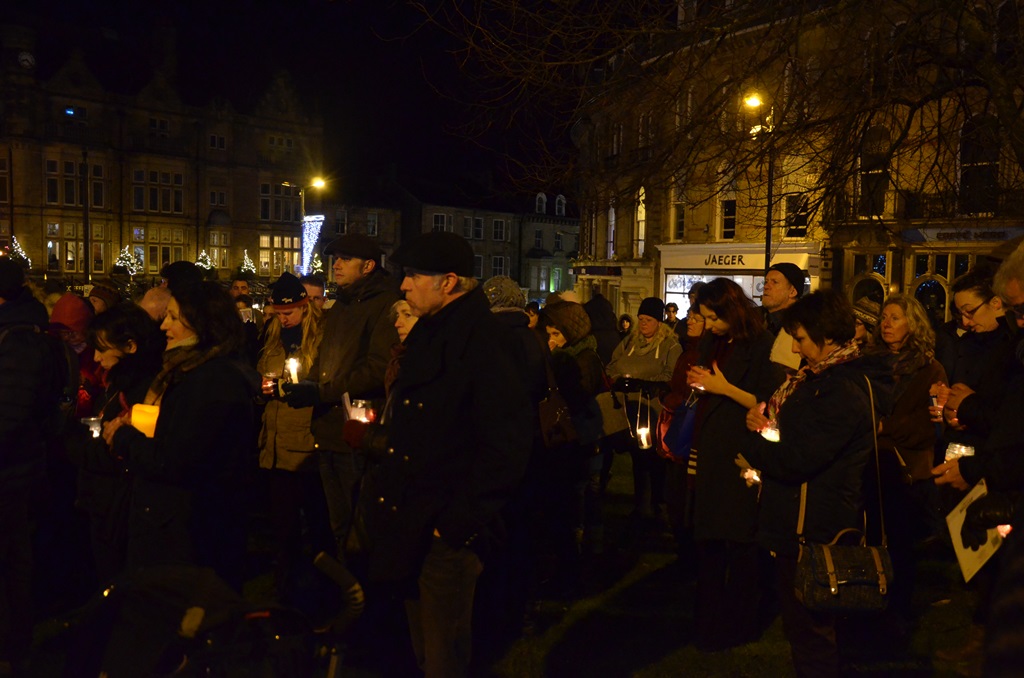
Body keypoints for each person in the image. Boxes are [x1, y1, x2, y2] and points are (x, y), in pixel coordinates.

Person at [356, 231, 531, 677]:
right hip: (411, 519)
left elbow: (505, 445)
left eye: (414, 275)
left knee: (444, 654)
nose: (404, 285)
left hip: (443, 530)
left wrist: (453, 526)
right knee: (419, 647)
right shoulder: (434, 332)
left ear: (449, 281)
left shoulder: (483, 343)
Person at [741, 289, 886, 677]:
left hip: (815, 529)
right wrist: (766, 424)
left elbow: (797, 458)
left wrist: (753, 447)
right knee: (803, 629)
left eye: (802, 338)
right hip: (798, 521)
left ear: (827, 334)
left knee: (813, 632)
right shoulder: (815, 379)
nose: (795, 347)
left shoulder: (840, 388)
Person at [104, 281, 259, 590]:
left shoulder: (210, 381)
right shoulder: (190, 372)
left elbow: (174, 460)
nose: (164, 326)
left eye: (174, 318)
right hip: (179, 524)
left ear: (202, 322)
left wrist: (123, 438)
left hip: (189, 534)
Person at [281, 233, 399, 562]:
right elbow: (325, 358)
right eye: (336, 258)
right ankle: (344, 589)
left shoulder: (384, 305)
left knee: (359, 526)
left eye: (346, 258)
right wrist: (306, 383)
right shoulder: (343, 303)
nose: (337, 264)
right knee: (338, 524)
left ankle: (365, 594)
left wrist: (320, 391)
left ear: (369, 265)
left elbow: (376, 369)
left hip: (357, 429)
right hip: (329, 429)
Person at [684, 278, 786, 651]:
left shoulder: (760, 346)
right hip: (711, 447)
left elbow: (768, 402)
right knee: (709, 540)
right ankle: (709, 619)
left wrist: (722, 388)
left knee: (740, 541)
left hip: (741, 450)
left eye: (714, 318)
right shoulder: (714, 341)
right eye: (705, 317)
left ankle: (742, 620)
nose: (709, 325)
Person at [65, 304, 164, 580]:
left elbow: (122, 451)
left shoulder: (143, 391)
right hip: (104, 501)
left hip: (118, 505)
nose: (95, 357)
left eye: (102, 348)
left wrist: (72, 445)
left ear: (130, 346)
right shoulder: (119, 382)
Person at [867, 293, 947, 638]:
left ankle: (899, 609)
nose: (886, 323)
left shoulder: (930, 368)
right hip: (870, 464)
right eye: (884, 317)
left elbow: (929, 425)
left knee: (901, 544)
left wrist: (886, 427)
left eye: (895, 317)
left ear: (912, 324)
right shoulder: (869, 362)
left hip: (906, 469)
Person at [0, 258, 64, 674]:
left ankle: (13, 645)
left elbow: (10, 410)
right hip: (14, 462)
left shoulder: (20, 338)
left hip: (11, 469)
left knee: (10, 560)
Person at [257, 272, 332, 603]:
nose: (282, 317)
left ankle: (326, 588)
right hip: (273, 445)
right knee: (283, 529)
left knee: (317, 525)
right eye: (277, 312)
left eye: (288, 312)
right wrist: (263, 389)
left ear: (305, 307)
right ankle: (285, 590)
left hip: (305, 444)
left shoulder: (321, 339)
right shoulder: (271, 337)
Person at [606, 297, 683, 525]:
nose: (643, 324)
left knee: (654, 459)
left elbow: (671, 375)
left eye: (648, 319)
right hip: (630, 410)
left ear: (659, 322)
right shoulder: (630, 342)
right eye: (641, 319)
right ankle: (641, 505)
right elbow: (612, 365)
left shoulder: (671, 345)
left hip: (654, 410)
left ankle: (658, 505)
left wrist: (648, 383)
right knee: (637, 458)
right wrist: (619, 380)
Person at [543, 301, 606, 562]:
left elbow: (576, 398)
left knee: (583, 497)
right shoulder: (572, 355)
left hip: (582, 439)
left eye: (556, 334)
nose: (551, 340)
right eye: (549, 334)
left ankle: (583, 552)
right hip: (577, 438)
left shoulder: (581, 359)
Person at [659, 304, 706, 575]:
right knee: (675, 493)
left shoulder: (703, 354)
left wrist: (672, 399)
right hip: (679, 427)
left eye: (697, 318)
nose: (690, 320)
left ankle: (690, 556)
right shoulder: (687, 351)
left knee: (686, 494)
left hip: (692, 432)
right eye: (690, 316)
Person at [762, 262, 808, 372]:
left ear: (792, 292)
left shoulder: (801, 325)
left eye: (775, 282)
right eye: (766, 281)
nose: (766, 286)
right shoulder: (753, 318)